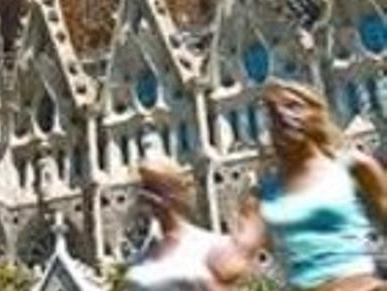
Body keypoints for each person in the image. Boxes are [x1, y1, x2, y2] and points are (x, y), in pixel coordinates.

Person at [222, 79, 387, 291]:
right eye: (273, 113)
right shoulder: (261, 196)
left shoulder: (354, 166)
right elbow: (239, 253)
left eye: (294, 106)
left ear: (316, 115)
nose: (283, 115)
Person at [125, 158, 237, 291]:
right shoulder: (139, 262)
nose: (145, 196)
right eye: (141, 189)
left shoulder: (212, 247)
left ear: (172, 192)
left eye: (152, 189)